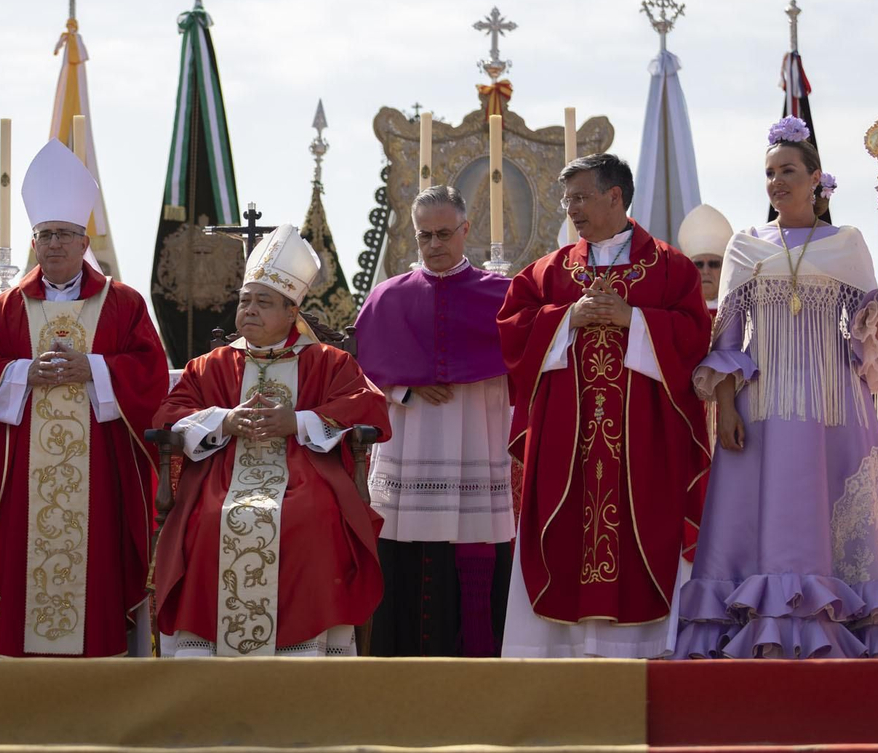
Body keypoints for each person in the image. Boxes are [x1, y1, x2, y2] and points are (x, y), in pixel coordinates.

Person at [675, 117, 878, 658]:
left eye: (787, 171)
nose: (776, 182)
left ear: (815, 180)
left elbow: (870, 339)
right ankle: (759, 634)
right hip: (760, 411)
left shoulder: (848, 243)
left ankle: (847, 632)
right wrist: (725, 406)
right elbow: (727, 338)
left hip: (835, 410)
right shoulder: (744, 246)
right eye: (769, 174)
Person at [0, 140, 166, 657]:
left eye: (64, 235)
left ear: (84, 240)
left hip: (99, 469)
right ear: (34, 241)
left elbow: (150, 372)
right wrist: (24, 374)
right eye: (45, 235)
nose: (53, 245)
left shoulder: (122, 304)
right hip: (23, 469)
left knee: (96, 561)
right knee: (21, 556)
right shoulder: (5, 308)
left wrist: (93, 369)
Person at [498, 153, 711, 658]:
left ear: (614, 196)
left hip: (643, 443)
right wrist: (566, 317)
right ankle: (560, 655)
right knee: (566, 535)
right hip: (566, 443)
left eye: (579, 197)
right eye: (566, 198)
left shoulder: (669, 267)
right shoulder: (549, 272)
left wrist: (632, 320)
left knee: (645, 536)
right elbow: (512, 331)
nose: (570, 209)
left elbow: (694, 336)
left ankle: (640, 654)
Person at [155, 224, 390, 657]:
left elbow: (367, 407)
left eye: (264, 302)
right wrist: (224, 421)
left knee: (314, 515)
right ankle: (205, 654)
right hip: (221, 477)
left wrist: (297, 422)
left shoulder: (328, 361)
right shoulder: (211, 365)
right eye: (245, 301)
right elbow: (169, 415)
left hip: (305, 473)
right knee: (206, 518)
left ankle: (304, 650)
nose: (250, 310)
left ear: (291, 313)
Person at [354, 185, 514, 656]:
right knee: (404, 551)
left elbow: (524, 360)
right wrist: (407, 386)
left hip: (475, 438)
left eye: (445, 233)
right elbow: (358, 379)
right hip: (412, 437)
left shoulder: (501, 296)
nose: (435, 245)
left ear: (466, 230)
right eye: (425, 236)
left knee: (472, 545)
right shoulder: (387, 298)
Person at [677, 204, 734, 317]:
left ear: (725, 268)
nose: (706, 271)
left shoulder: (739, 312)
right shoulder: (678, 313)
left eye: (714, 264)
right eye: (698, 264)